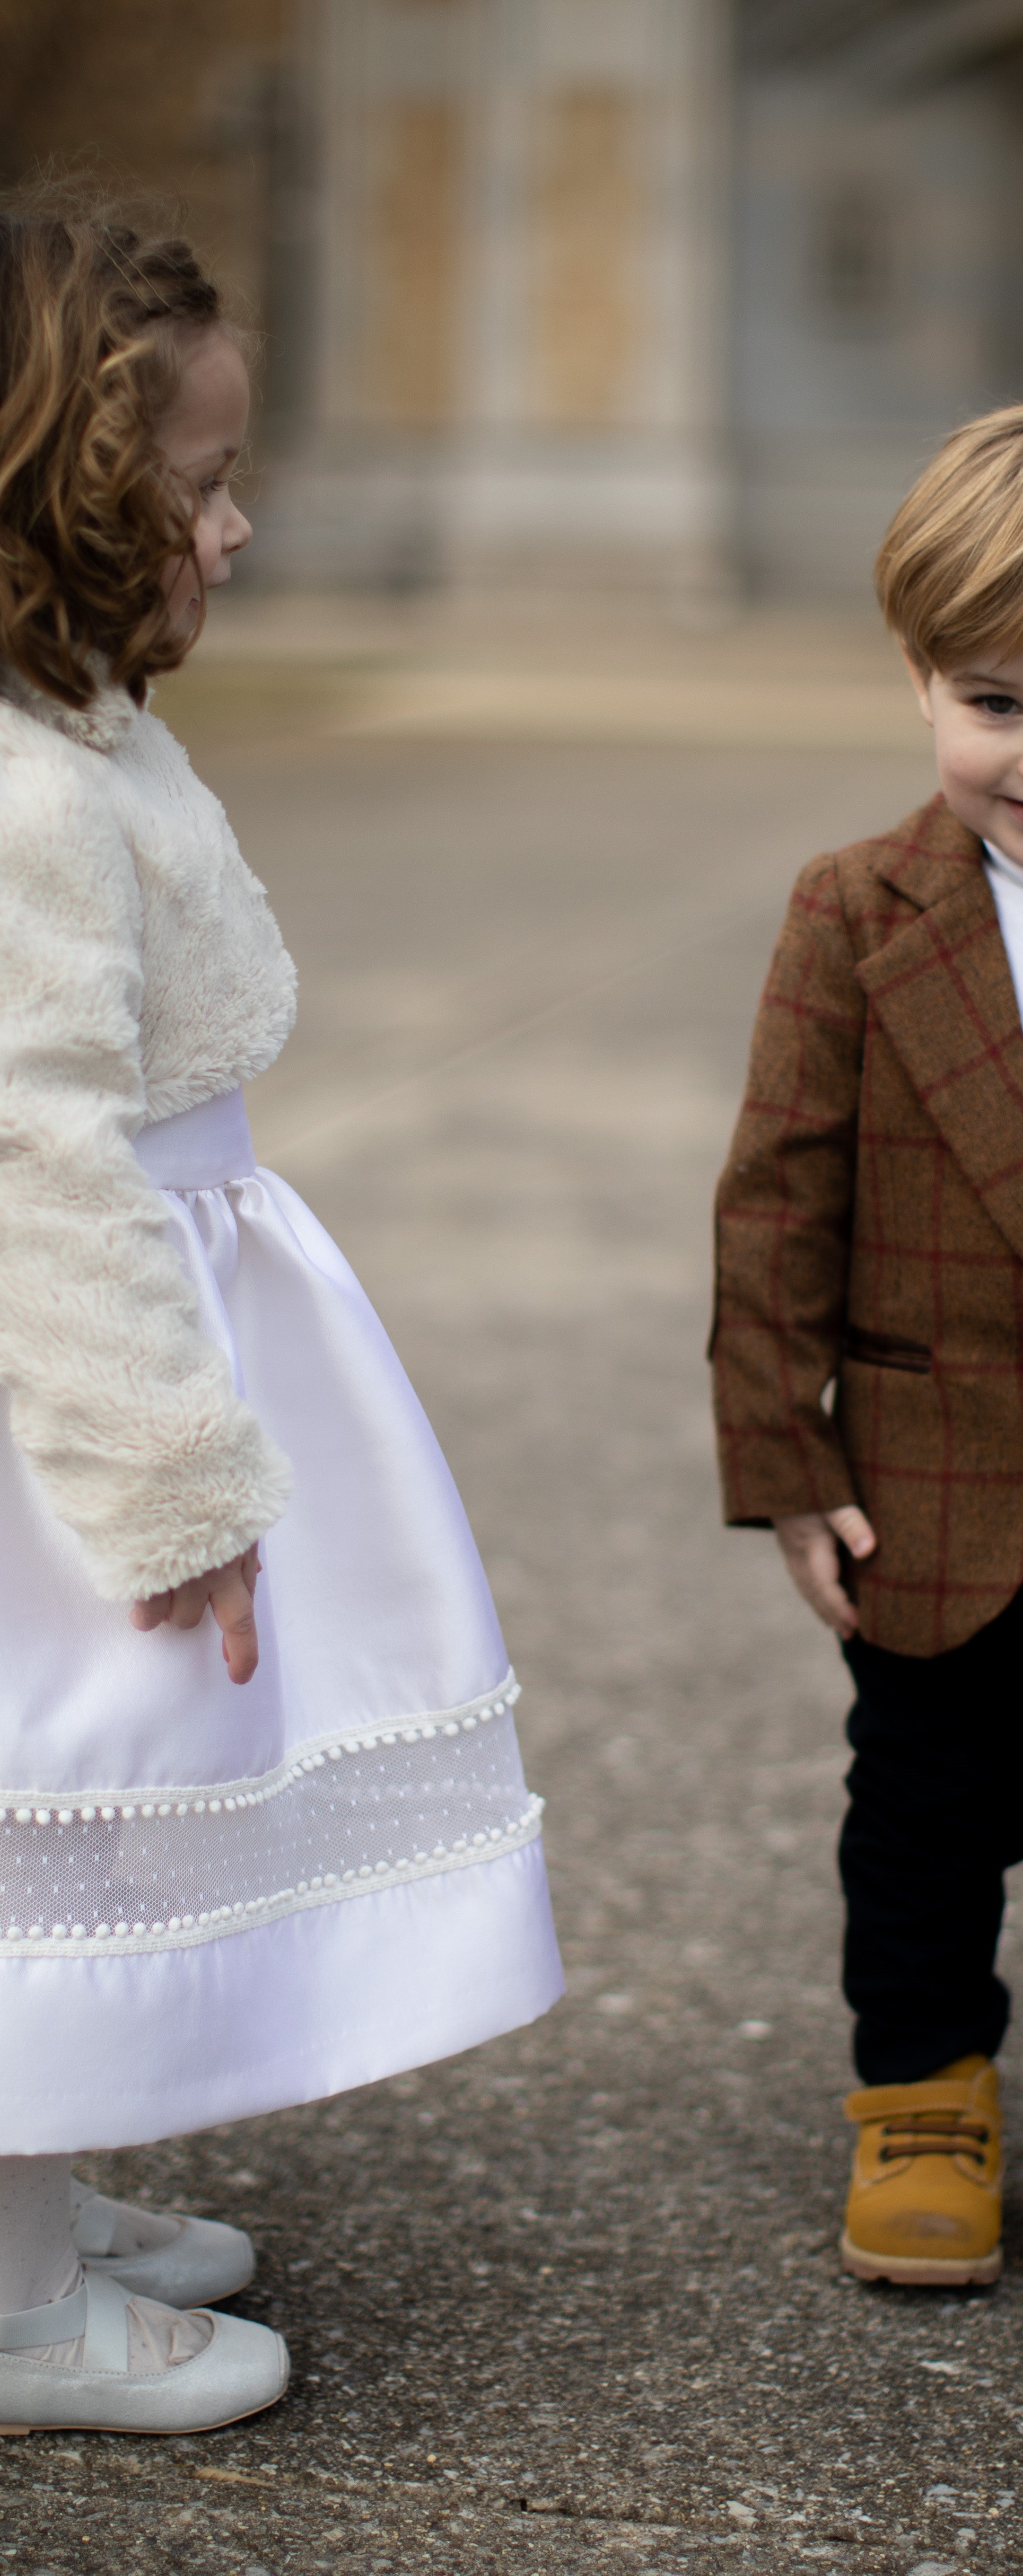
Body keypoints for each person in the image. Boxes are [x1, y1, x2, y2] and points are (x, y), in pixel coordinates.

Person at [0, 186, 562, 2436]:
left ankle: (21, 2204)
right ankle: (14, 2313)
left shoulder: (40, 731)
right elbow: (13, 1157)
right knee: (23, 1787)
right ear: (32, 506)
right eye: (199, 486)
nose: (236, 528)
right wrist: (166, 1478)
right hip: (21, 1387)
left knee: (95, 1789)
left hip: (89, 1320)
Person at [708, 405, 1023, 2289]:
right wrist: (787, 1467)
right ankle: (922, 2101)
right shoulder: (856, 909)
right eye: (996, 704)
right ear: (918, 679)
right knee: (922, 1820)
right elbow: (777, 1205)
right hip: (938, 1487)